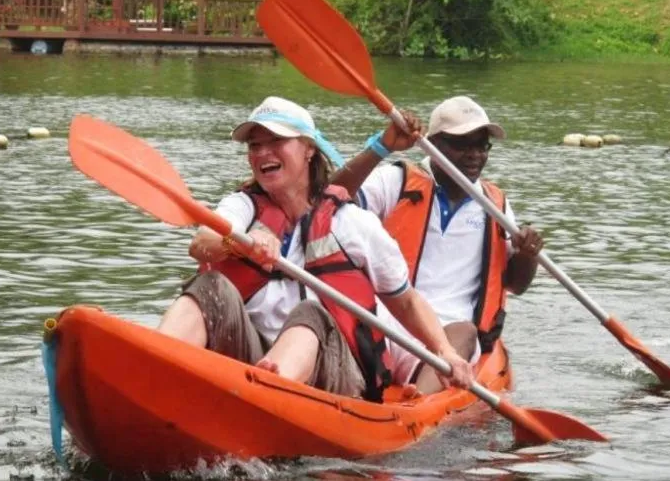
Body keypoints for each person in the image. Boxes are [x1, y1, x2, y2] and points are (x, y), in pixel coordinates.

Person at [157, 96, 472, 402]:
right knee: (211, 286)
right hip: (251, 359)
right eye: (255, 145)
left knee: (311, 313)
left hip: (335, 376)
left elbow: (406, 301)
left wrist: (444, 351)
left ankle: (266, 397)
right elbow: (201, 245)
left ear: (308, 149)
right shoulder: (242, 206)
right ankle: (157, 362)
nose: (262, 152)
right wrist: (241, 240)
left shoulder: (352, 223)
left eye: (276, 140)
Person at [332, 96, 545, 394]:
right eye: (462, 144)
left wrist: (528, 254)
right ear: (433, 144)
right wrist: (381, 146)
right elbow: (329, 199)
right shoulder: (395, 181)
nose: (474, 155)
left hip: (451, 335)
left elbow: (516, 284)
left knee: (465, 331)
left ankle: (419, 405)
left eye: (482, 145)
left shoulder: (496, 205)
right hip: (386, 320)